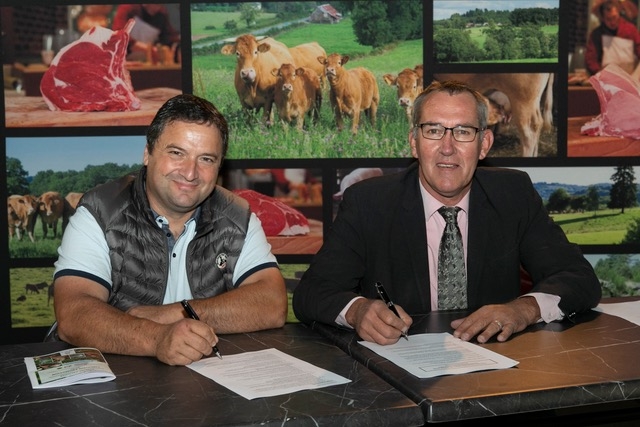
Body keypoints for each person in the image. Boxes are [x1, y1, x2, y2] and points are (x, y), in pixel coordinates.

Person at [292, 80, 602, 346]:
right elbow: (312, 293)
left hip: (494, 368)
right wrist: (358, 310)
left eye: (464, 131)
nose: (447, 147)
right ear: (414, 143)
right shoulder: (367, 202)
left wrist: (522, 310)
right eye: (434, 130)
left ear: (484, 145)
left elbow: (578, 277)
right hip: (399, 373)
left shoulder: (513, 193)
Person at [50, 94, 287, 366]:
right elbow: (74, 312)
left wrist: (174, 314)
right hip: (113, 384)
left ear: (220, 166)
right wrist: (157, 339)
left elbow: (272, 302)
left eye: (206, 159)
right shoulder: (99, 211)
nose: (190, 173)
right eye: (177, 153)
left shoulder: (237, 216)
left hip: (205, 391)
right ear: (147, 153)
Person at [585, 0, 640, 75]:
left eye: (614, 17)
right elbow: (590, 60)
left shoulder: (631, 30)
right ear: (603, 18)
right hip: (606, 80)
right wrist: (599, 73)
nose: (613, 22)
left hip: (629, 78)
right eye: (608, 19)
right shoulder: (597, 34)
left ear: (618, 13)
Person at [112, 4, 181, 62]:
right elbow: (119, 34)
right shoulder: (128, 8)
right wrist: (147, 49)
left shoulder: (162, 14)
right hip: (124, 59)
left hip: (150, 59)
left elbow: (168, 37)